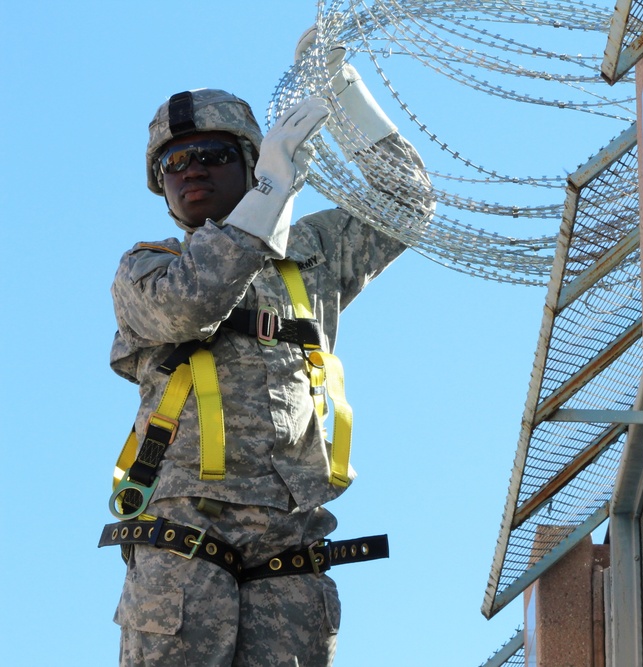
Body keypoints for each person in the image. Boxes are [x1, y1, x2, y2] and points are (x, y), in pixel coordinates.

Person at [99, 28, 433, 667]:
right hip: (185, 528)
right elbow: (194, 301)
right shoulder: (146, 268)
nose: (192, 169)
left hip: (291, 530)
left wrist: (341, 91)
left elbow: (406, 202)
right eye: (175, 163)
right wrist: (272, 190)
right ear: (161, 187)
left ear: (248, 161)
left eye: (215, 155)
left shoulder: (310, 258)